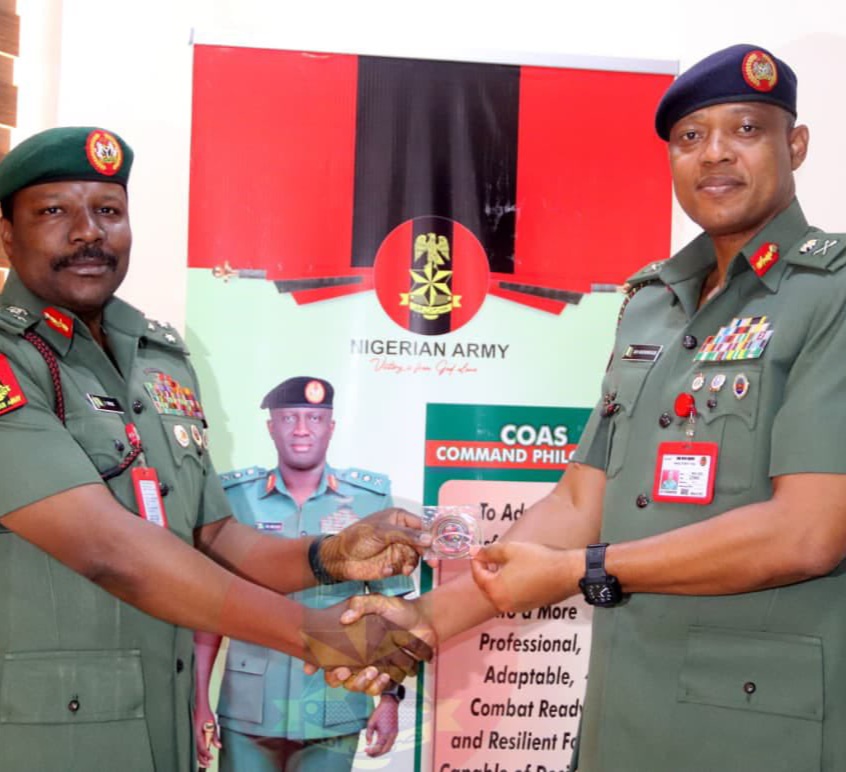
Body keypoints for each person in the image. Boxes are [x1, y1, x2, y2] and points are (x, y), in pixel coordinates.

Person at [336, 44, 846, 771]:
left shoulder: (833, 292)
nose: (715, 153)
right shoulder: (652, 305)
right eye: (691, 136)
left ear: (794, 146)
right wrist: (421, 623)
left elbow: (808, 532)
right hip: (627, 708)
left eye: (746, 129)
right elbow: (581, 500)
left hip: (759, 725)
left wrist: (584, 568)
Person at [0, 126, 433, 772]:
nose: (89, 232)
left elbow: (212, 539)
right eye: (54, 211)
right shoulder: (11, 361)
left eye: (109, 210)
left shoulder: (159, 358)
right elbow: (109, 549)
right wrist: (314, 635)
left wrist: (330, 555)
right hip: (43, 740)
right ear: (6, 235)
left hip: (161, 729)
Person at [194, 376, 411, 770]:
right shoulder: (234, 498)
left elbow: (391, 610)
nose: (301, 430)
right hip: (249, 707)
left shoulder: (368, 500)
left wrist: (389, 698)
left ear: (331, 427)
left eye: (314, 418)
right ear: (270, 427)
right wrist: (199, 702)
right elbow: (207, 612)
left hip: (335, 701)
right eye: (289, 418)